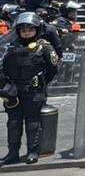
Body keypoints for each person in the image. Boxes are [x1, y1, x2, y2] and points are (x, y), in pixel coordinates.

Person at [0, 12, 58, 165]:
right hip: (12, 92)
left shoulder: (44, 47)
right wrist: (5, 86)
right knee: (13, 123)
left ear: (37, 30)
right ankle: (12, 153)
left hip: (33, 91)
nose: (26, 33)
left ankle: (32, 151)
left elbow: (52, 70)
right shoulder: (9, 47)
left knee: (33, 122)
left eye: (30, 30)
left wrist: (40, 83)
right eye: (23, 30)